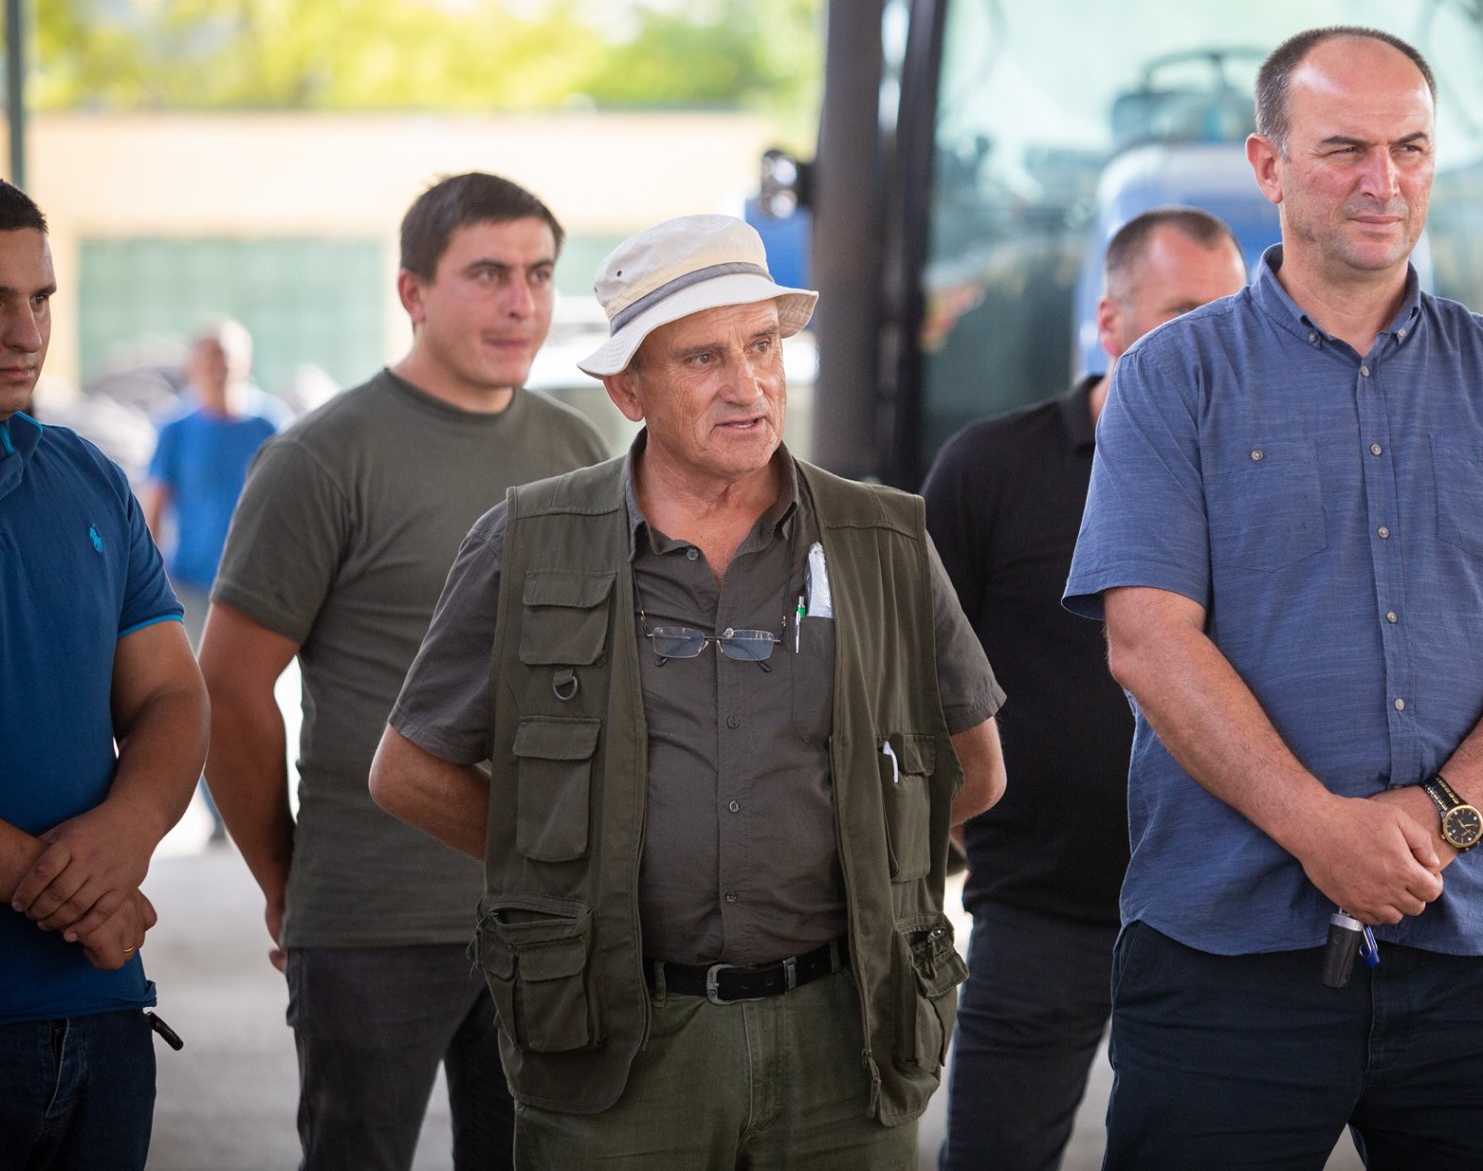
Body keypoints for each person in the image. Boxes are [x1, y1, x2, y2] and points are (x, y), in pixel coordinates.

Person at [1062, 26, 1483, 1170]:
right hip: (1229, 952)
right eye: (1344, 149)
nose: (1384, 181)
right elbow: (1146, 640)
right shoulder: (1171, 377)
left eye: (1409, 147)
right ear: (1267, 165)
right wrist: (1321, 831)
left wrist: (1445, 817)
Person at [370, 213, 1007, 1170]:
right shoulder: (529, 542)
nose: (747, 385)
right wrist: (567, 867)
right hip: (615, 1043)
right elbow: (408, 772)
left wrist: (872, 860)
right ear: (628, 389)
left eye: (762, 345)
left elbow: (978, 770)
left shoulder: (883, 540)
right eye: (703, 357)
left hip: (846, 1039)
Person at [197, 172, 607, 1171]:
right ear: (411, 292)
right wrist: (286, 879)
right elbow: (230, 690)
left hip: (546, 915)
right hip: (372, 917)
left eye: (539, 274)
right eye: (488, 274)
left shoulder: (578, 447)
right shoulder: (322, 457)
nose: (521, 302)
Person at [924, 206, 1247, 1171]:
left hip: (1220, 914)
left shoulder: (1266, 477)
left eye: (1232, 317)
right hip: (1037, 908)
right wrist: (962, 826)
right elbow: (904, 673)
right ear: (1109, 322)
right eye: (1184, 314)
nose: (1214, 343)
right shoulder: (992, 467)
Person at [0, 173, 209, 1168]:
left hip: (103, 1015)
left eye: (40, 298)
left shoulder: (85, 477)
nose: (25, 332)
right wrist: (85, 893)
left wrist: (129, 829)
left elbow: (169, 693)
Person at [142, 320, 288, 642]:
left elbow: (291, 505)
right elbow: (154, 509)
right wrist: (150, 585)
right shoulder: (176, 430)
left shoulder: (270, 427)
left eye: (227, 361)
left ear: (245, 364)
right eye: (210, 361)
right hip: (192, 587)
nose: (219, 371)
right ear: (193, 368)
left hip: (255, 587)